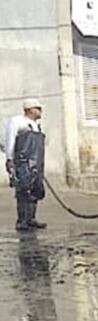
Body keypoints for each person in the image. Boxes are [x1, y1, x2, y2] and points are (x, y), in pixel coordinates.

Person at [4, 98, 46, 232]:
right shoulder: (17, 121)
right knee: (23, 190)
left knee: (36, 190)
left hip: (37, 163)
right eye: (37, 108)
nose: (40, 111)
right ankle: (22, 220)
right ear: (29, 109)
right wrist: (10, 159)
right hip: (23, 163)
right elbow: (10, 141)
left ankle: (31, 219)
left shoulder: (36, 125)